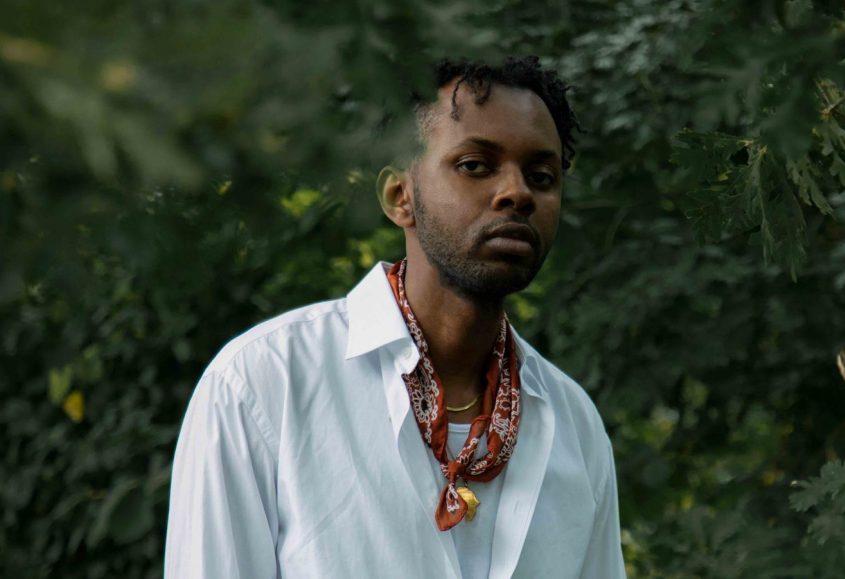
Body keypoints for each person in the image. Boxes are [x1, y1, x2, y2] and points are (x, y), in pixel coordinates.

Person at [164, 56, 626, 579]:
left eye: (541, 176)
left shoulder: (572, 423)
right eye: (475, 165)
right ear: (399, 196)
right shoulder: (265, 382)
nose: (517, 193)